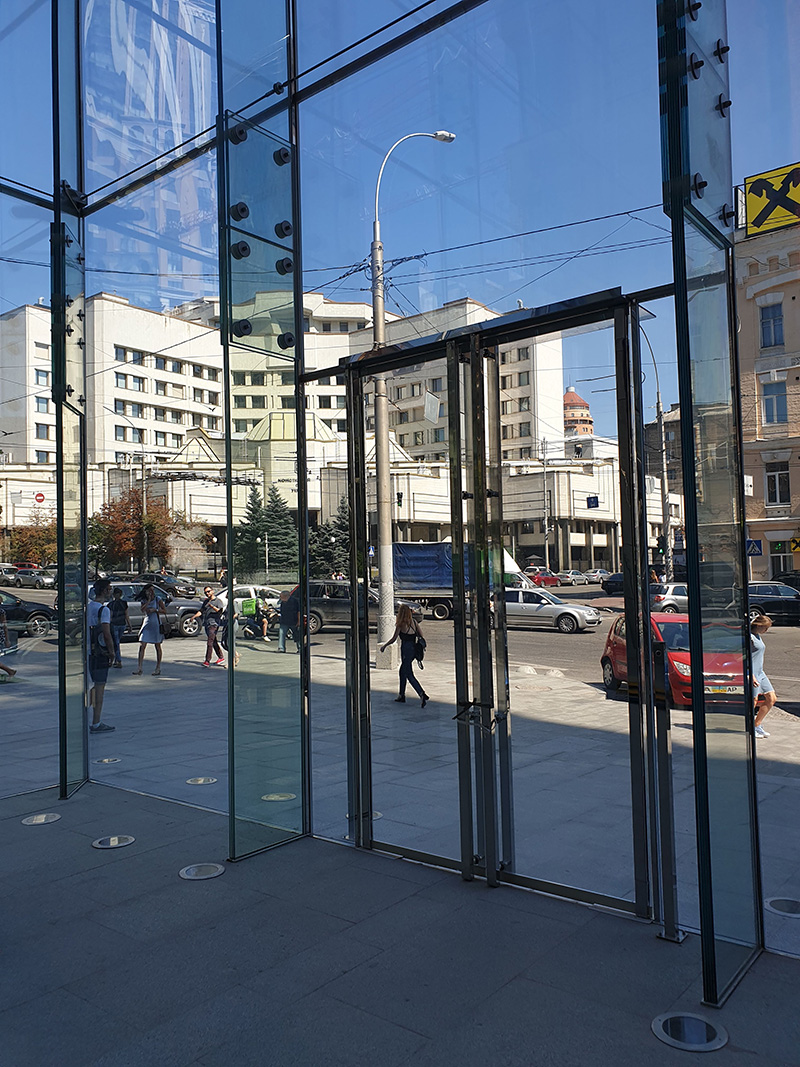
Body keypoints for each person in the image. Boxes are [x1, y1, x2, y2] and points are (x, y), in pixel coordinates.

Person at [380, 605, 429, 708]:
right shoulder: (414, 622)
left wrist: (385, 646)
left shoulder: (401, 624)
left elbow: (394, 638)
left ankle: (421, 693)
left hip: (405, 649)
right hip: (413, 650)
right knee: (403, 672)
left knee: (409, 674)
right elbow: (421, 635)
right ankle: (401, 695)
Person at [87, 578, 115, 731]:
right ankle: (96, 721)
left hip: (88, 652)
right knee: (99, 687)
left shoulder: (89, 607)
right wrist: (112, 652)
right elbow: (106, 634)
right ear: (104, 591)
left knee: (92, 685)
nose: (111, 592)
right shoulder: (104, 610)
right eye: (109, 589)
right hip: (99, 653)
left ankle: (88, 715)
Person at [751, 614, 777, 739]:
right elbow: (744, 658)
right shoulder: (750, 638)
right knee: (753, 700)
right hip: (752, 673)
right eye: (765, 627)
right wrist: (750, 675)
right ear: (759, 625)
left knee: (771, 698)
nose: (766, 630)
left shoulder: (757, 636)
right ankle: (750, 727)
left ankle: (757, 724)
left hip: (760, 672)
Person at [132, 583, 166, 676]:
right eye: (149, 590)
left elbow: (164, 610)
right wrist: (149, 601)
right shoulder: (144, 600)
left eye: (153, 590)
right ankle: (139, 668)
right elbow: (142, 610)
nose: (151, 592)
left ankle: (158, 667)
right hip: (147, 623)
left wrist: (156, 610)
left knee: (157, 645)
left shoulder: (158, 599)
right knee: (142, 644)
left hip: (156, 623)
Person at [192, 585, 225, 667]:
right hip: (207, 624)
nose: (207, 593)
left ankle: (207, 661)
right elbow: (201, 611)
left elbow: (220, 612)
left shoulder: (218, 601)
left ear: (212, 591)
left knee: (210, 642)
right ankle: (221, 657)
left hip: (214, 624)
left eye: (208, 591)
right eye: (205, 592)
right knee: (213, 641)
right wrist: (194, 617)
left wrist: (212, 607)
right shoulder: (206, 601)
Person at [108, 587, 130, 668]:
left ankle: (118, 660)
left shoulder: (111, 604)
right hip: (122, 624)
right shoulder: (124, 603)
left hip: (115, 624)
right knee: (117, 642)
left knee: (116, 643)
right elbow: (126, 615)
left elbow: (110, 616)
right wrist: (129, 625)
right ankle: (117, 660)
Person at [0, 607, 17, 679]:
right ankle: (9, 671)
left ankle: (10, 671)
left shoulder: (1, 611)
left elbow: (4, 625)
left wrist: (7, 640)